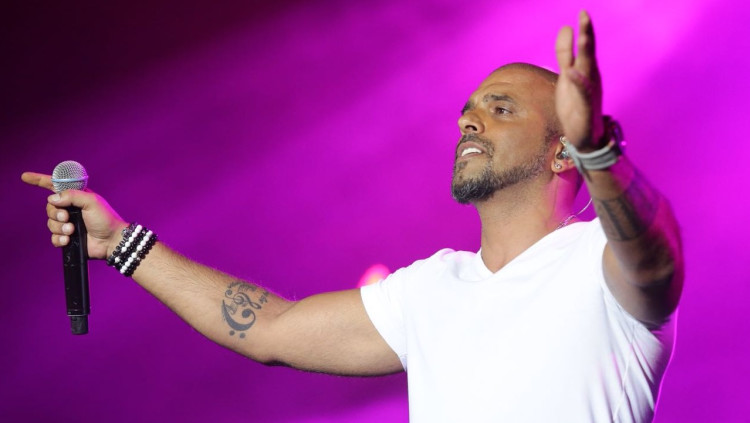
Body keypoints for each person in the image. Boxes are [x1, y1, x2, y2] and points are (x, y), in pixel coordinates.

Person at [23, 11, 683, 423]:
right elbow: (271, 329)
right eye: (469, 109)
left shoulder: (598, 262)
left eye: (501, 108)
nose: (469, 120)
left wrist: (599, 147)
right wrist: (122, 242)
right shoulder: (431, 288)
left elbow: (655, 260)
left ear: (562, 151)